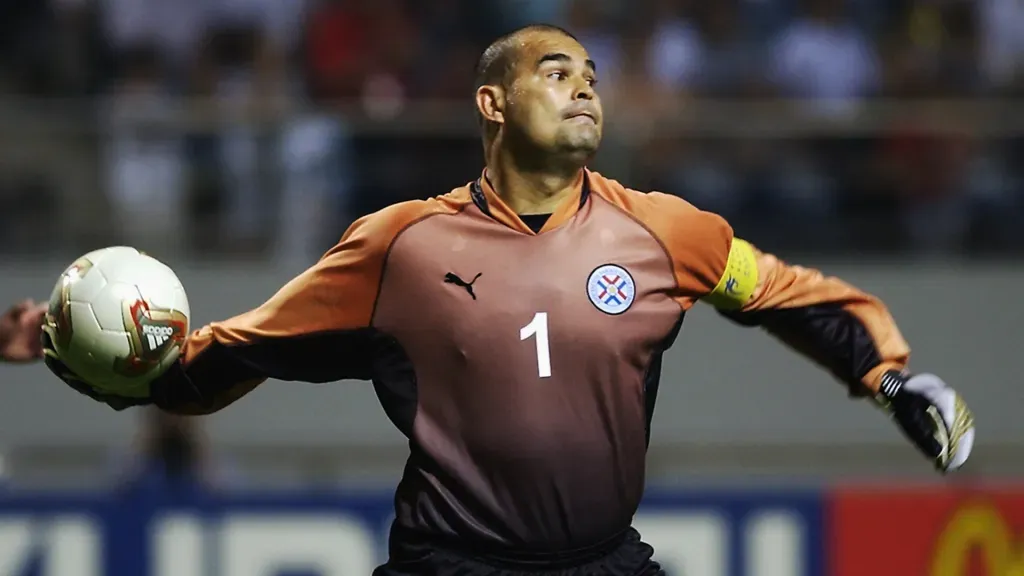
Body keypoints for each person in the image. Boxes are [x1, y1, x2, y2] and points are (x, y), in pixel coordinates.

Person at [36, 24, 974, 576]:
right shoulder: (398, 247)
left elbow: (788, 297)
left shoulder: (664, 233)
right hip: (448, 566)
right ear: (492, 104)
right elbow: (241, 352)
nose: (585, 88)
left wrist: (893, 381)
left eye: (592, 76)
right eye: (556, 72)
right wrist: (137, 382)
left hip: (603, 561)